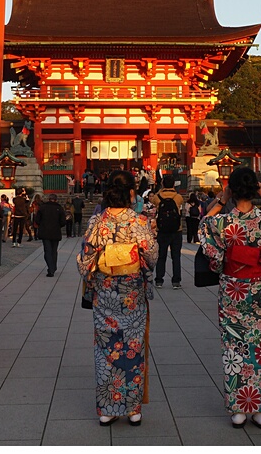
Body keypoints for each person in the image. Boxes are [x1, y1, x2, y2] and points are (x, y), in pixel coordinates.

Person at [198, 166, 261, 429]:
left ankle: (238, 409)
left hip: (232, 289)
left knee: (234, 347)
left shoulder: (223, 222)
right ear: (255, 189)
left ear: (232, 189)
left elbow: (203, 224)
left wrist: (221, 198)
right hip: (259, 287)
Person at [77, 170, 158, 427]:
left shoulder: (96, 222)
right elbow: (152, 257)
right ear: (131, 193)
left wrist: (95, 265)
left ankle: (108, 408)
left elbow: (85, 260)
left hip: (105, 290)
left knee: (106, 347)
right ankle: (133, 409)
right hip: (131, 290)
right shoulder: (138, 221)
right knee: (133, 346)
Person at [150, 174, 184, 289]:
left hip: (162, 230)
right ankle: (176, 281)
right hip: (176, 230)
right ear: (174, 184)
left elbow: (154, 202)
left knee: (161, 256)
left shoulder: (157, 197)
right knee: (176, 256)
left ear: (162, 184)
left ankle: (159, 280)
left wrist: (161, 188)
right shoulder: (178, 197)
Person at [36, 194, 67, 277]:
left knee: (47, 251)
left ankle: (51, 268)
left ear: (49, 199)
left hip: (45, 232)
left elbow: (37, 220)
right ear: (56, 200)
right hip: (55, 232)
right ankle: (53, 266)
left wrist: (42, 225)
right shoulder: (59, 208)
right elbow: (63, 222)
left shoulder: (42, 207)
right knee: (54, 251)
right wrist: (58, 226)